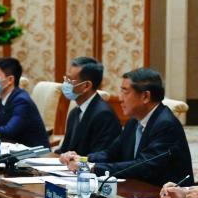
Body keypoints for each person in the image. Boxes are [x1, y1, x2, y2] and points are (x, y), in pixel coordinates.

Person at [62, 68, 193, 187]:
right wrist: (83, 159)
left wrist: (92, 168)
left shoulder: (165, 125)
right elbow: (111, 153)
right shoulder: (134, 122)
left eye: (125, 92)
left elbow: (143, 166)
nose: (120, 98)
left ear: (145, 96)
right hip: (137, 190)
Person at [54, 57, 121, 156]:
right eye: (66, 78)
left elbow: (100, 157)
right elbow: (65, 150)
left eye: (70, 80)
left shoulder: (104, 115)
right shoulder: (74, 113)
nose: (65, 83)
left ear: (86, 86)